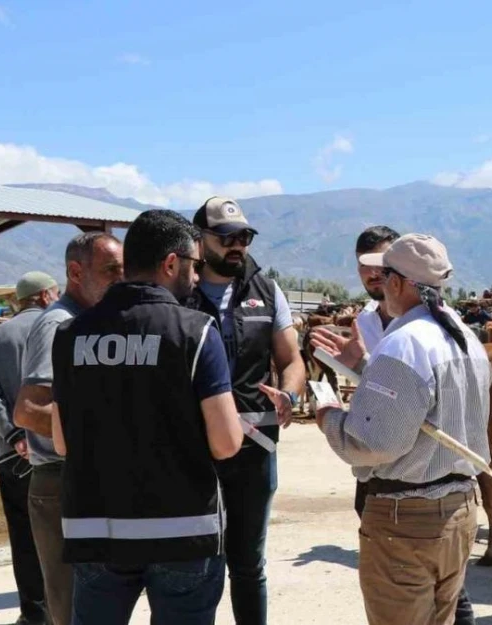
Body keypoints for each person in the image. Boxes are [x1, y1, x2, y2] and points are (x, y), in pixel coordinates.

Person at [50, 209, 242, 625]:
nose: (196, 276)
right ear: (171, 263)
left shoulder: (70, 336)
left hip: (95, 529)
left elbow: (62, 442)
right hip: (183, 531)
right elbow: (226, 443)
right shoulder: (196, 331)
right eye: (194, 265)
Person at [311, 234, 490, 625]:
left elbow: (372, 443)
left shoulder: (405, 344)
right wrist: (362, 368)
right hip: (458, 509)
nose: (378, 280)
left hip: (405, 519)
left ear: (397, 282)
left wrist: (327, 413)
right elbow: (428, 409)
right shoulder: (465, 337)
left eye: (384, 273)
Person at [186, 196, 306, 625]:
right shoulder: (178, 292)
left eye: (245, 237)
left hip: (255, 449)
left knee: (248, 564)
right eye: (227, 238)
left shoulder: (267, 291)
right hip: (192, 451)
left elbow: (292, 361)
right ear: (200, 241)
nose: (238, 245)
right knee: (195, 563)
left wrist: (289, 394)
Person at [14, 232, 124, 625]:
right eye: (110, 269)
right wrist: (101, 437)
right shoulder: (58, 324)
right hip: (59, 484)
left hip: (82, 479)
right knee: (70, 608)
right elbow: (27, 411)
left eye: (124, 269)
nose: (120, 278)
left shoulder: (88, 320)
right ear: (75, 272)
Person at [0, 271, 60, 625]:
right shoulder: (61, 328)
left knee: (23, 537)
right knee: (63, 537)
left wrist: (13, 436)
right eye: (54, 293)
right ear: (43, 296)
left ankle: (34, 613)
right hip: (58, 453)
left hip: (11, 456)